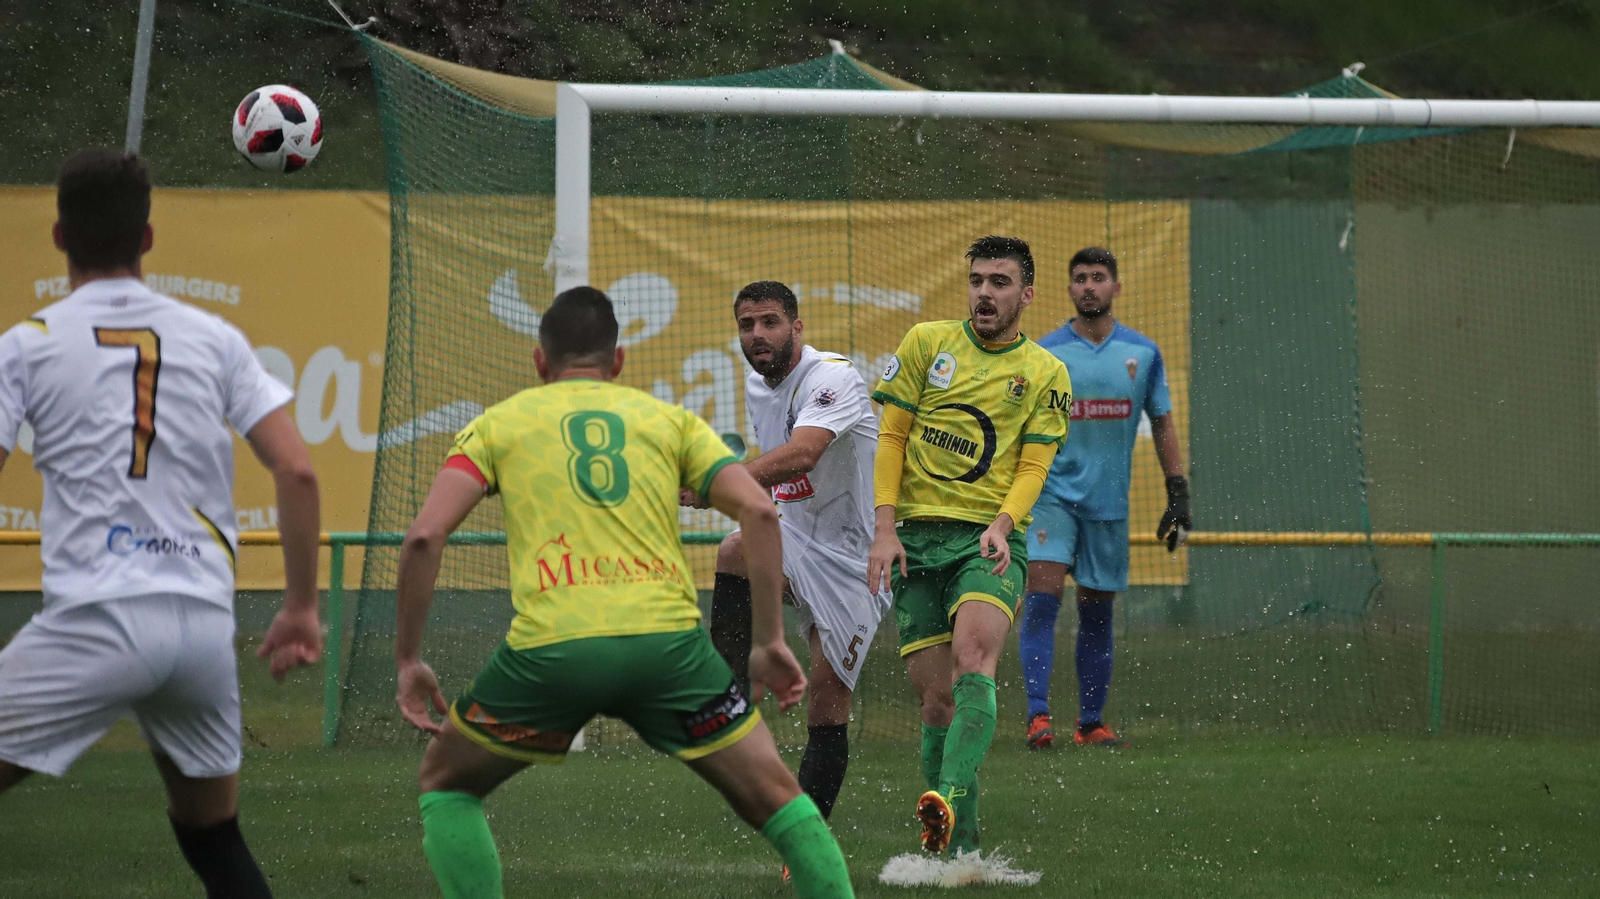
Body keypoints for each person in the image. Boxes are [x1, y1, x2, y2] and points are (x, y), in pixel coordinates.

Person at [392, 286, 855, 899]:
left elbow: (424, 537)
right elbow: (760, 516)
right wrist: (768, 640)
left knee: (447, 784)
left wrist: (408, 660)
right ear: (618, 363)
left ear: (538, 362)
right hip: (667, 653)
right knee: (780, 802)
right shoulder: (668, 423)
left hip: (550, 652)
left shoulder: (498, 426)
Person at [0, 149, 324, 899]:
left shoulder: (27, 344)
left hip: (99, 617)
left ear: (58, 236)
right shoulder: (214, 338)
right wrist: (301, 605)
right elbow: (299, 471)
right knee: (213, 835)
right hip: (201, 628)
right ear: (147, 239)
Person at [868, 236, 1071, 857]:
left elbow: (1034, 466)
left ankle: (948, 797)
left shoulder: (1044, 372)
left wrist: (1004, 525)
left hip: (986, 541)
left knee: (972, 666)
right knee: (934, 704)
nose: (985, 292)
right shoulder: (926, 344)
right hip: (913, 539)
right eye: (978, 280)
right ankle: (963, 850)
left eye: (1000, 282)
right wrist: (884, 528)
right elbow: (892, 437)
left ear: (1026, 294)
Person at [690, 280, 888, 831]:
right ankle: (730, 704)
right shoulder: (758, 385)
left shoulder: (833, 376)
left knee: (827, 708)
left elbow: (802, 456)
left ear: (797, 328)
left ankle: (806, 841)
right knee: (734, 549)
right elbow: (780, 479)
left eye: (770, 322)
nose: (758, 334)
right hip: (796, 537)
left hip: (854, 559)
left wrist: (713, 483)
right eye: (747, 325)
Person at [1017, 246, 1190, 750]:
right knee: (1042, 602)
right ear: (1068, 289)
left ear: (1115, 287)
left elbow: (1162, 421)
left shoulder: (1143, 353)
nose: (1089, 286)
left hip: (1109, 504)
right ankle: (1038, 717)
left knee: (1097, 614)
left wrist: (1177, 491)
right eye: (1079, 278)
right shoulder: (1045, 353)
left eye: (1098, 277)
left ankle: (1090, 722)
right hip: (1051, 498)